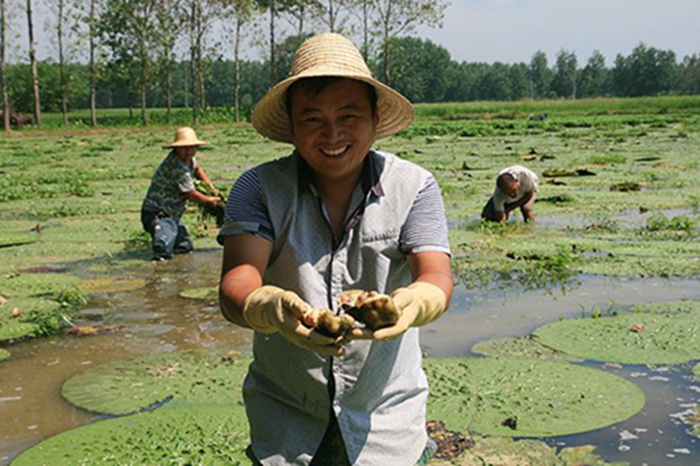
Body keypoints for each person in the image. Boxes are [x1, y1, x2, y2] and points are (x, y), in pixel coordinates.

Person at [218, 33, 453, 466]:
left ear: (374, 117)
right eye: (312, 119)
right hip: (285, 424)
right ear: (291, 123)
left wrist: (410, 305)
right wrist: (266, 306)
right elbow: (237, 280)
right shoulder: (258, 188)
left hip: (388, 423)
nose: (332, 134)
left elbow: (436, 276)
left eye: (349, 115)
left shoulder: (415, 186)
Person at [141, 127, 220, 261]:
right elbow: (190, 194)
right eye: (184, 148)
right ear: (176, 148)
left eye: (192, 147)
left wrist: (210, 187)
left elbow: (198, 170)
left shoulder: (189, 159)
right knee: (163, 249)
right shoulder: (177, 166)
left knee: (184, 247)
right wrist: (209, 201)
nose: (189, 151)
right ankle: (159, 272)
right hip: (158, 213)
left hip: (172, 214)